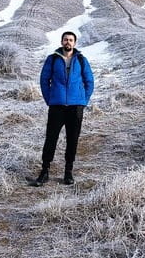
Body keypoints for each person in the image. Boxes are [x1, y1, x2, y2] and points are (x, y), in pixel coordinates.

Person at [27, 31, 94, 186]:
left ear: (75, 43)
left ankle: (68, 173)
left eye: (70, 40)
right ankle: (44, 172)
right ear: (62, 41)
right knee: (51, 138)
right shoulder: (52, 59)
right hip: (57, 106)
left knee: (72, 139)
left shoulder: (81, 60)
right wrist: (49, 99)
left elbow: (89, 81)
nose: (68, 42)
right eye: (65, 40)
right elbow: (44, 80)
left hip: (76, 107)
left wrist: (83, 101)